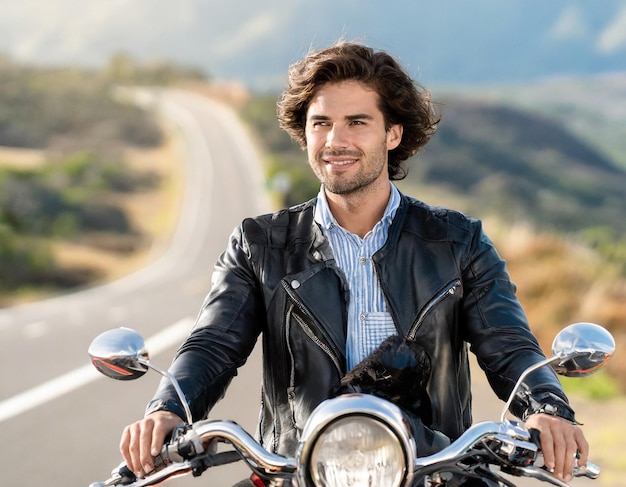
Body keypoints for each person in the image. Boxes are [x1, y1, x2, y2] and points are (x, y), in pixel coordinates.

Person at [119, 41, 588, 485]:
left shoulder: (458, 241)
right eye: (321, 123)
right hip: (298, 469)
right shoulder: (259, 243)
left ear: (394, 133)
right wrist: (169, 409)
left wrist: (546, 406)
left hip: (433, 470)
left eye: (357, 122)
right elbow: (214, 344)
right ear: (303, 134)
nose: (335, 140)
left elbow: (509, 346)